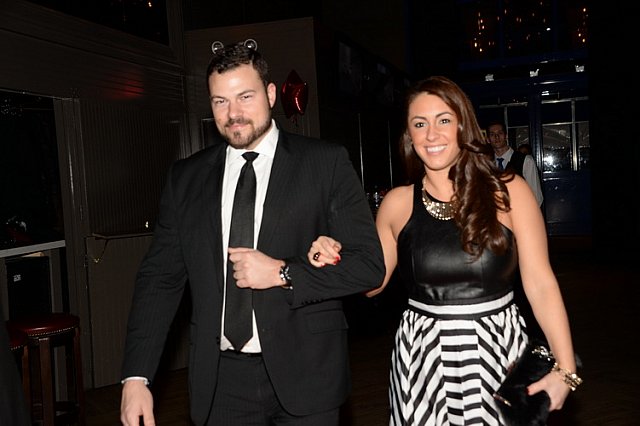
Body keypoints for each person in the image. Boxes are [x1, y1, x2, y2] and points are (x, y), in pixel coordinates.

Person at [119, 41, 384, 426]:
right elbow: (159, 279)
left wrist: (283, 272)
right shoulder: (186, 179)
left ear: (271, 94)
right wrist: (136, 377)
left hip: (308, 371)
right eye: (220, 101)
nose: (233, 113)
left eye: (245, 96)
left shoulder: (324, 163)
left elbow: (369, 266)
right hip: (220, 382)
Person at [307, 76, 581, 425]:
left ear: (463, 127)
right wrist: (333, 254)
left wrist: (566, 368)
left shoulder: (508, 191)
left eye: (444, 120)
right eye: (420, 124)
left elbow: (541, 283)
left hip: (498, 353)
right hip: (421, 361)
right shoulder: (397, 204)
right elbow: (372, 282)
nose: (431, 134)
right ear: (409, 135)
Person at [487, 121, 544, 207]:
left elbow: (536, 197)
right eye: (492, 134)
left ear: (506, 136)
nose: (496, 137)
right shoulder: (486, 164)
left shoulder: (526, 161)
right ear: (488, 139)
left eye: (500, 133)